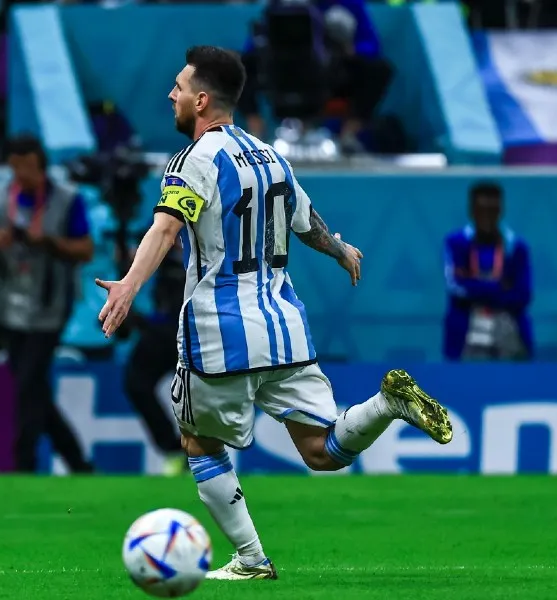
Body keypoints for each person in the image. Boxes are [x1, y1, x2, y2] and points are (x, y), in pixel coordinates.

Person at [94, 46, 453, 580]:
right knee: (322, 450)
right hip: (284, 328)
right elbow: (307, 222)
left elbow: (167, 227)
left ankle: (250, 559)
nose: (170, 94)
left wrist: (128, 283)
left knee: (197, 442)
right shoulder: (270, 156)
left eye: (177, 86)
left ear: (201, 98)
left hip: (220, 331)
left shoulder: (194, 159)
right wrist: (340, 250)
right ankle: (384, 404)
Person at [0, 135, 95, 474]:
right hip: (7, 305)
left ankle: (23, 464)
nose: (20, 175)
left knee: (28, 383)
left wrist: (50, 243)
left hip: (50, 305)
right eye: (13, 167)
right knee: (32, 387)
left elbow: (85, 249)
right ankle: (78, 462)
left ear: (40, 164)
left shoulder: (67, 199)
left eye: (25, 167)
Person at [443, 182, 533, 361]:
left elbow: (523, 294)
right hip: (467, 331)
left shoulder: (516, 246)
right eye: (481, 210)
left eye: (492, 210)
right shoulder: (456, 243)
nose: (487, 217)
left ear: (501, 210)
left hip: (507, 330)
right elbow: (456, 287)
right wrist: (499, 287)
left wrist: (474, 285)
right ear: (472, 211)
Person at [122, 240, 185, 476]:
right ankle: (174, 448)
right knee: (136, 384)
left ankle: (202, 454)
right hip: (163, 328)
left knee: (199, 395)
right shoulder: (166, 219)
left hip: (198, 328)